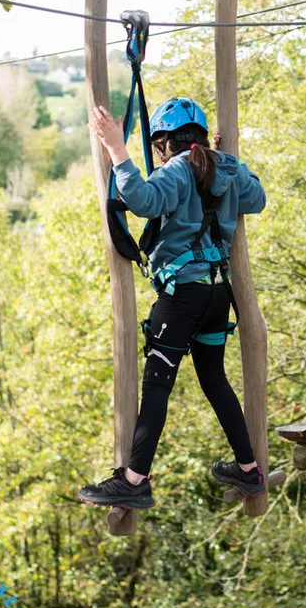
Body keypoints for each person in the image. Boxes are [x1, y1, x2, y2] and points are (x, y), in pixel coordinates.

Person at [78, 97, 267, 510]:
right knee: (214, 380)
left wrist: (117, 150)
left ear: (163, 142)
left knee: (157, 386)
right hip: (218, 293)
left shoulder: (177, 169)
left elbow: (143, 201)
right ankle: (249, 468)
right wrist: (228, 160)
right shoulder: (228, 168)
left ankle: (134, 479)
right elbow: (257, 199)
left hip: (183, 295)